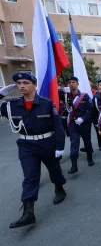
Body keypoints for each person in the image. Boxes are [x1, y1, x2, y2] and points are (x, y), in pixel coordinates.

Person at [0, 73, 67, 229]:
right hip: (26, 145)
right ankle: (28, 213)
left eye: (26, 82)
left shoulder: (46, 104)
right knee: (30, 176)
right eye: (18, 83)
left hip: (46, 142)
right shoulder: (12, 105)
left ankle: (59, 188)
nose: (21, 85)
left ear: (34, 85)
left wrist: (60, 147)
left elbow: (58, 127)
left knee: (54, 169)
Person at [65, 76, 94, 174]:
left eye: (73, 82)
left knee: (87, 141)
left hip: (84, 122)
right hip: (73, 123)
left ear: (77, 84)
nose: (71, 84)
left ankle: (89, 157)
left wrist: (83, 118)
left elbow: (91, 110)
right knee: (74, 143)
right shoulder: (66, 96)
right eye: (69, 82)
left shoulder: (84, 96)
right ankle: (74, 165)